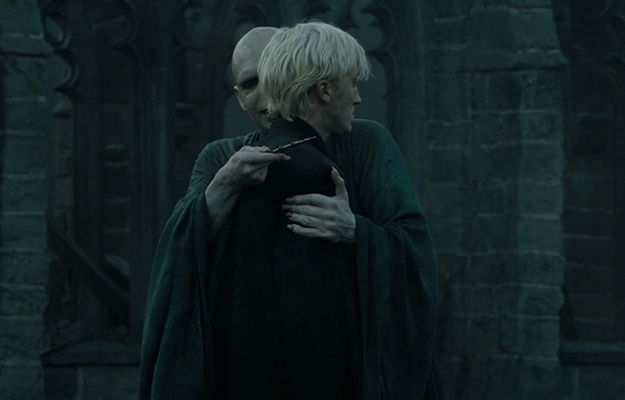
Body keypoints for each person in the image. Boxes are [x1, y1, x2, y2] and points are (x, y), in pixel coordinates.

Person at [139, 22, 442, 400]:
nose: (266, 93)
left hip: (350, 363)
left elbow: (415, 250)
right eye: (250, 83)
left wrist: (356, 231)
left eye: (274, 74)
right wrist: (222, 188)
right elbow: (176, 263)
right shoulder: (220, 157)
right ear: (238, 97)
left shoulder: (365, 142)